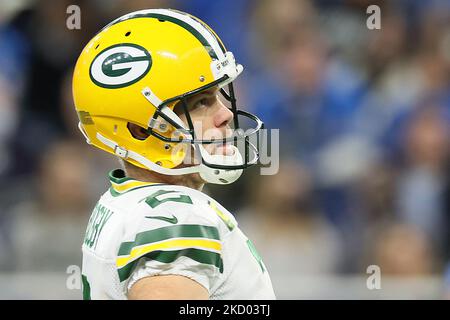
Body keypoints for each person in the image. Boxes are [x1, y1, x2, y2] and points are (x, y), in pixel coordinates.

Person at [72, 8, 275, 300]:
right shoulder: (175, 216)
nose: (225, 114)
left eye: (218, 95)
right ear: (140, 130)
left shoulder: (127, 202)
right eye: (200, 103)